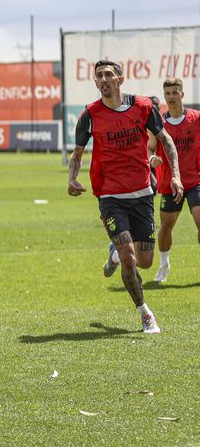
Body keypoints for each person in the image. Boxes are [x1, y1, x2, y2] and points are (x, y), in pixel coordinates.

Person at [68, 60, 183, 334]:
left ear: (120, 79)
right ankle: (145, 313)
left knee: (145, 260)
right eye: (99, 76)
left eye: (109, 74)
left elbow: (166, 140)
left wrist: (176, 175)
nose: (104, 79)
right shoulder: (89, 115)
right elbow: (77, 154)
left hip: (142, 193)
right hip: (110, 196)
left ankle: (114, 255)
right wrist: (72, 178)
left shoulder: (143, 107)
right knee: (129, 257)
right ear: (95, 82)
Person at [146, 78, 200, 283]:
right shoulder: (158, 122)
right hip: (169, 183)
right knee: (166, 225)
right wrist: (152, 158)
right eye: (167, 93)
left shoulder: (196, 119)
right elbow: (150, 147)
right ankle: (164, 264)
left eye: (175, 92)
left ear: (182, 94)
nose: (171, 97)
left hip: (195, 180)